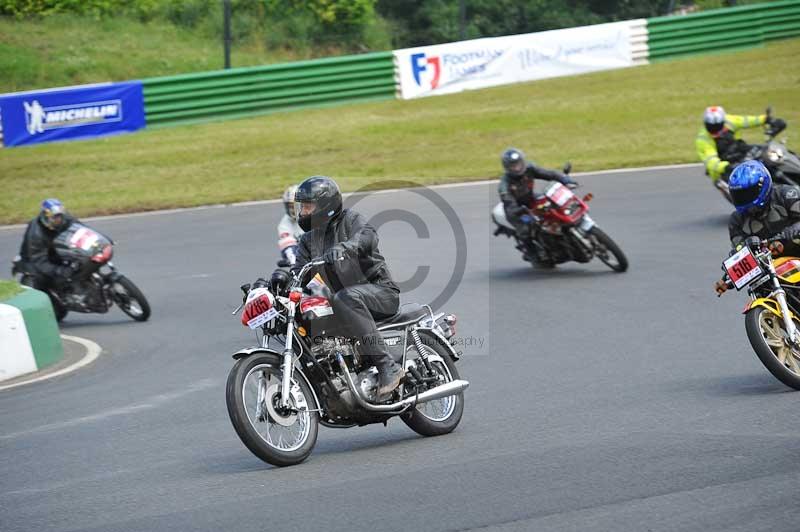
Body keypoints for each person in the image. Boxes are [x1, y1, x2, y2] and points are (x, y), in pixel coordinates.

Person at [290, 176, 404, 396]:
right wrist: (278, 280)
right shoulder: (307, 240)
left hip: (380, 291)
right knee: (305, 312)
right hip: (342, 302)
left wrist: (345, 247)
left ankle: (388, 366)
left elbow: (367, 237)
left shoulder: (350, 220)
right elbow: (299, 272)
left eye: (307, 206)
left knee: (346, 297)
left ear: (325, 205)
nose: (302, 212)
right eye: (301, 206)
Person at [715, 161, 800, 295]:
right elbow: (739, 250)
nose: (743, 199)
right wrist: (730, 273)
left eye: (747, 194)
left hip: (797, 252)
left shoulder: (787, 194)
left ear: (763, 187)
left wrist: (789, 234)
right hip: (770, 268)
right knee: (759, 289)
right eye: (739, 195)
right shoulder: (736, 221)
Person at [497, 147, 578, 263]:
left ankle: (563, 233)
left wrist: (565, 180)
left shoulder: (529, 169)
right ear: (507, 168)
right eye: (513, 166)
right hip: (516, 209)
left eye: (518, 164)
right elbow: (509, 203)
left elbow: (549, 174)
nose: (517, 168)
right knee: (525, 228)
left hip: (530, 199)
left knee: (553, 206)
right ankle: (532, 253)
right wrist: (517, 210)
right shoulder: (504, 185)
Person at [696, 105, 786, 184]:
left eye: (718, 125)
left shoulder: (729, 121)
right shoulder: (703, 139)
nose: (715, 129)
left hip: (739, 150)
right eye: (711, 127)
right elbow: (711, 161)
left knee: (767, 152)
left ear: (723, 121)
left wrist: (766, 119)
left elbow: (746, 120)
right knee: (749, 186)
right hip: (724, 167)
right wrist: (726, 167)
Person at [18, 198, 77, 293]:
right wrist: (60, 271)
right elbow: (38, 260)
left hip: (57, 252)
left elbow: (81, 228)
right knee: (42, 280)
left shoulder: (66, 219)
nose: (58, 220)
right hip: (37, 260)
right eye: (55, 217)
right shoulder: (35, 233)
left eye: (60, 216)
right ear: (46, 216)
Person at [277, 184, 304, 266]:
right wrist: (292, 259)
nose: (293, 210)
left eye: (296, 206)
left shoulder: (316, 217)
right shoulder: (284, 224)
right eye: (291, 207)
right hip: (302, 258)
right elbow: (288, 245)